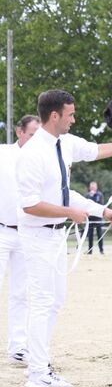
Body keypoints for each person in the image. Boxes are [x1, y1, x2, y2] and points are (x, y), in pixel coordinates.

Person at [16, 89, 112, 387]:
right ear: (54, 116)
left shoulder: (65, 144)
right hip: (36, 235)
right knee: (42, 302)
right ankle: (37, 372)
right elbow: (29, 204)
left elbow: (96, 151)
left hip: (54, 235)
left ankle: (40, 364)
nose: (74, 119)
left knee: (54, 301)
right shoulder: (33, 154)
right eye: (70, 114)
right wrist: (69, 212)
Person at [0, 115, 41, 367]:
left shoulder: (41, 159)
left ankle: (18, 346)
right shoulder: (3, 154)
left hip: (26, 233)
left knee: (21, 294)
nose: (36, 140)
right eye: (32, 134)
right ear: (19, 132)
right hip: (1, 231)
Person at [85, 181, 105, 254]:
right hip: (90, 218)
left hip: (98, 218)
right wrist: (91, 196)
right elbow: (86, 205)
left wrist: (93, 196)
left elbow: (100, 205)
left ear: (96, 187)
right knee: (90, 235)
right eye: (91, 187)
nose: (93, 188)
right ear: (90, 188)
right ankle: (90, 250)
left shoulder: (99, 195)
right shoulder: (87, 195)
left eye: (94, 187)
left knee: (99, 234)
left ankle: (101, 250)